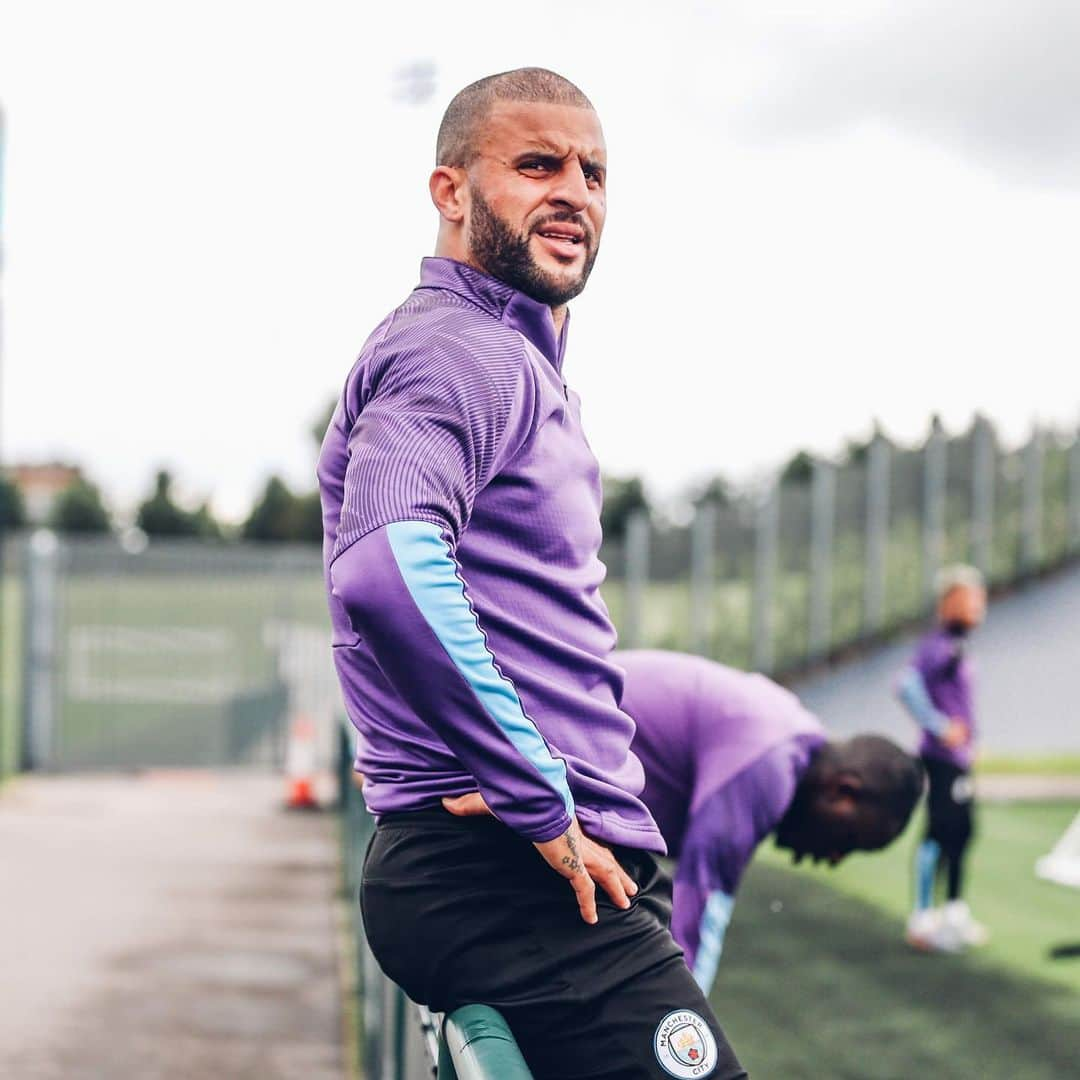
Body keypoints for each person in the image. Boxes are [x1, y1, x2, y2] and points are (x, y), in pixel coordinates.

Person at [319, 68, 746, 1080]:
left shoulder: (518, 357)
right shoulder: (461, 351)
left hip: (525, 867)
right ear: (451, 191)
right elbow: (385, 568)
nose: (577, 191)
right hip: (506, 874)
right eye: (537, 163)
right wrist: (538, 794)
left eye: (594, 172)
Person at [450, 649, 922, 996]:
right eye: (849, 840)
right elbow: (698, 918)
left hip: (519, 761)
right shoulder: (769, 769)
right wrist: (687, 1036)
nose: (834, 859)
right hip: (499, 769)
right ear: (843, 791)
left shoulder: (790, 732)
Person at [896, 564, 988, 953]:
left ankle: (953, 911)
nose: (978, 607)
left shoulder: (956, 646)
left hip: (959, 759)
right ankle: (922, 918)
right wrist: (938, 725)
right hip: (941, 758)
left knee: (963, 831)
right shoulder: (939, 646)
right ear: (950, 602)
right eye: (970, 599)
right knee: (938, 831)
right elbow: (905, 684)